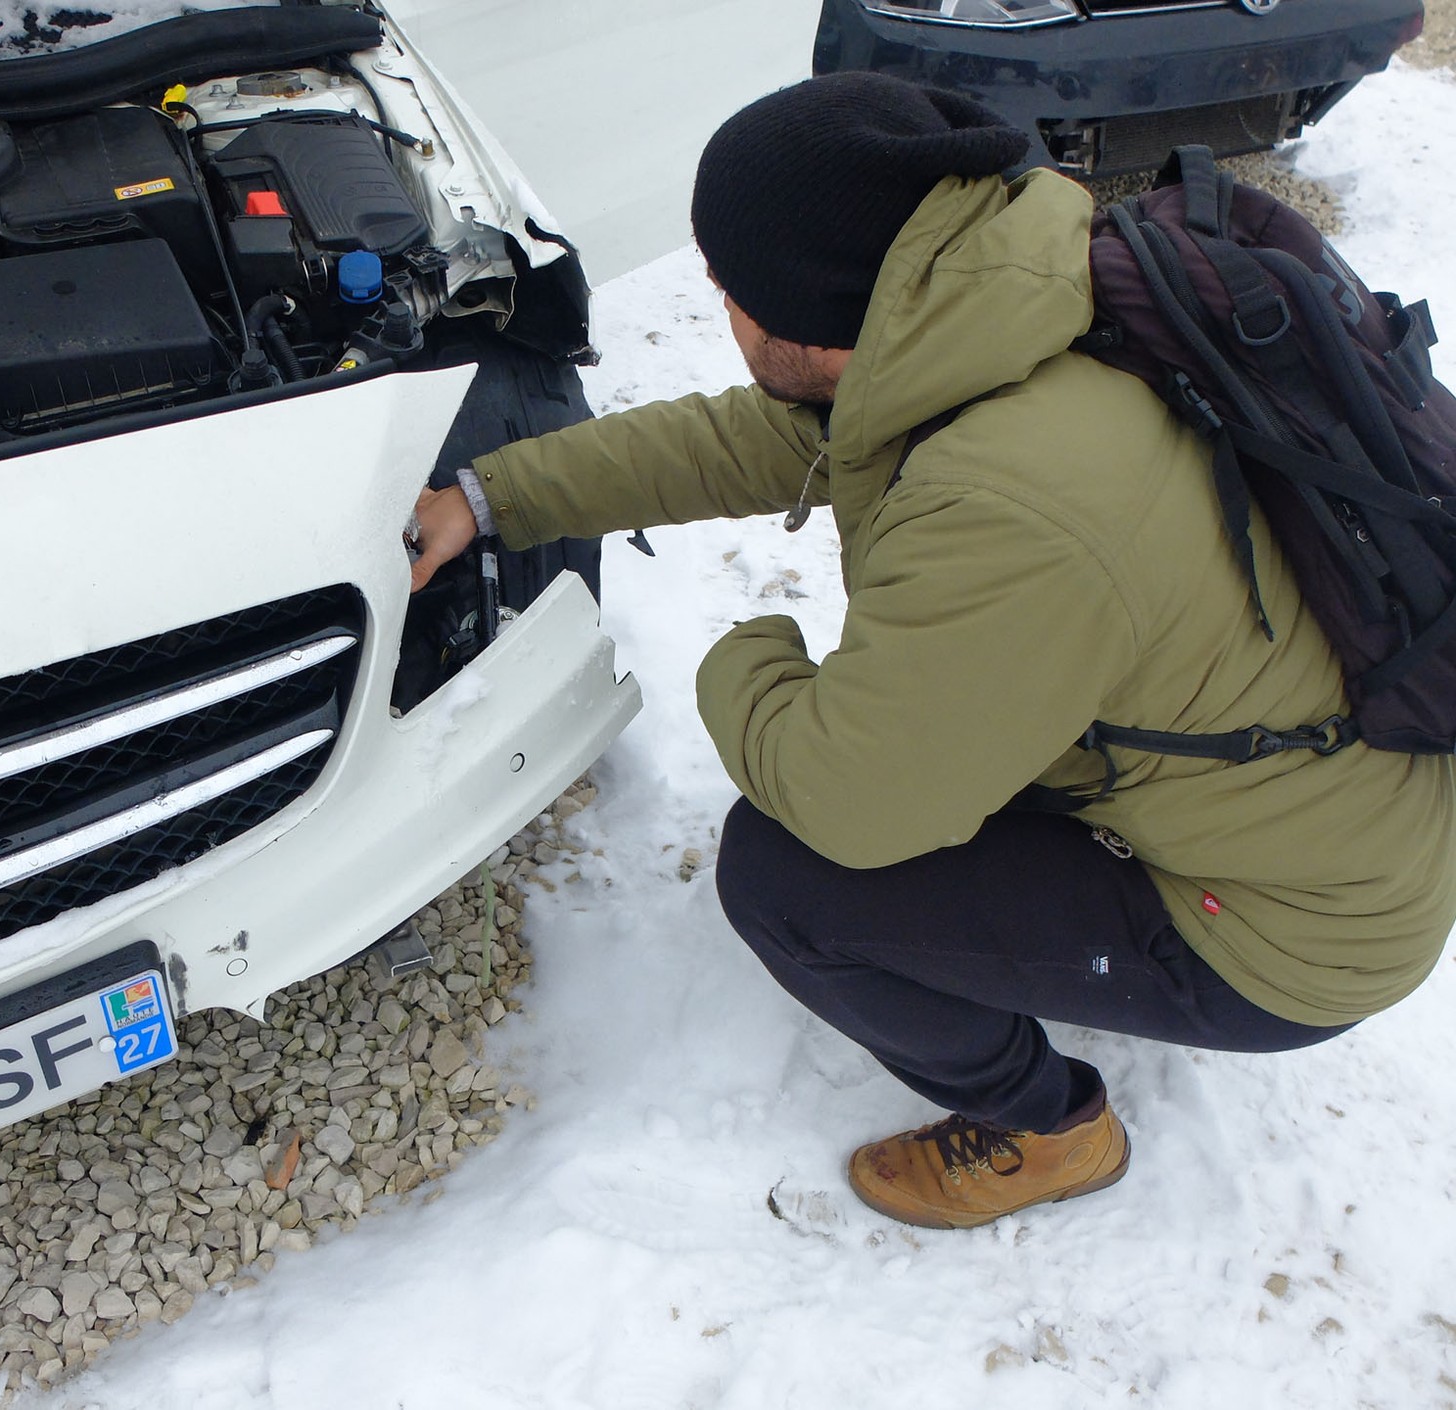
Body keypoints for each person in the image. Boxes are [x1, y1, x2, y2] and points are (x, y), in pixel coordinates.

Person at [408, 73, 1456, 1229]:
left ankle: (1047, 1126)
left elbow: (850, 802)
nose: (714, 296)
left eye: (728, 283)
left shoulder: (1008, 501)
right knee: (924, 754)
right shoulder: (1001, 308)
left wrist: (742, 657)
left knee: (786, 878)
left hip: (1288, 926)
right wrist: (488, 493)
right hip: (1308, 790)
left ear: (812, 315)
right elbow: (755, 437)